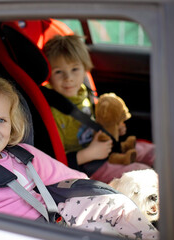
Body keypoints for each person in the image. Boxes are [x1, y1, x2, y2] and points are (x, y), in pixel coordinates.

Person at [0, 72, 158, 239]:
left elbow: (70, 178)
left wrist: (101, 194)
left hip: (56, 216)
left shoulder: (23, 155)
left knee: (117, 206)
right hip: (26, 232)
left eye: (0, 120)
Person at [43, 34, 151, 183]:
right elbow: (52, 159)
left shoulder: (83, 91)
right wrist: (88, 154)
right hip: (89, 165)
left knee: (153, 153)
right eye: (58, 72)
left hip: (107, 148)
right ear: (49, 75)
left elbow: (95, 122)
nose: (68, 78)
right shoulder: (51, 109)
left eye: (75, 69)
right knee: (143, 173)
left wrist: (113, 130)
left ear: (85, 68)